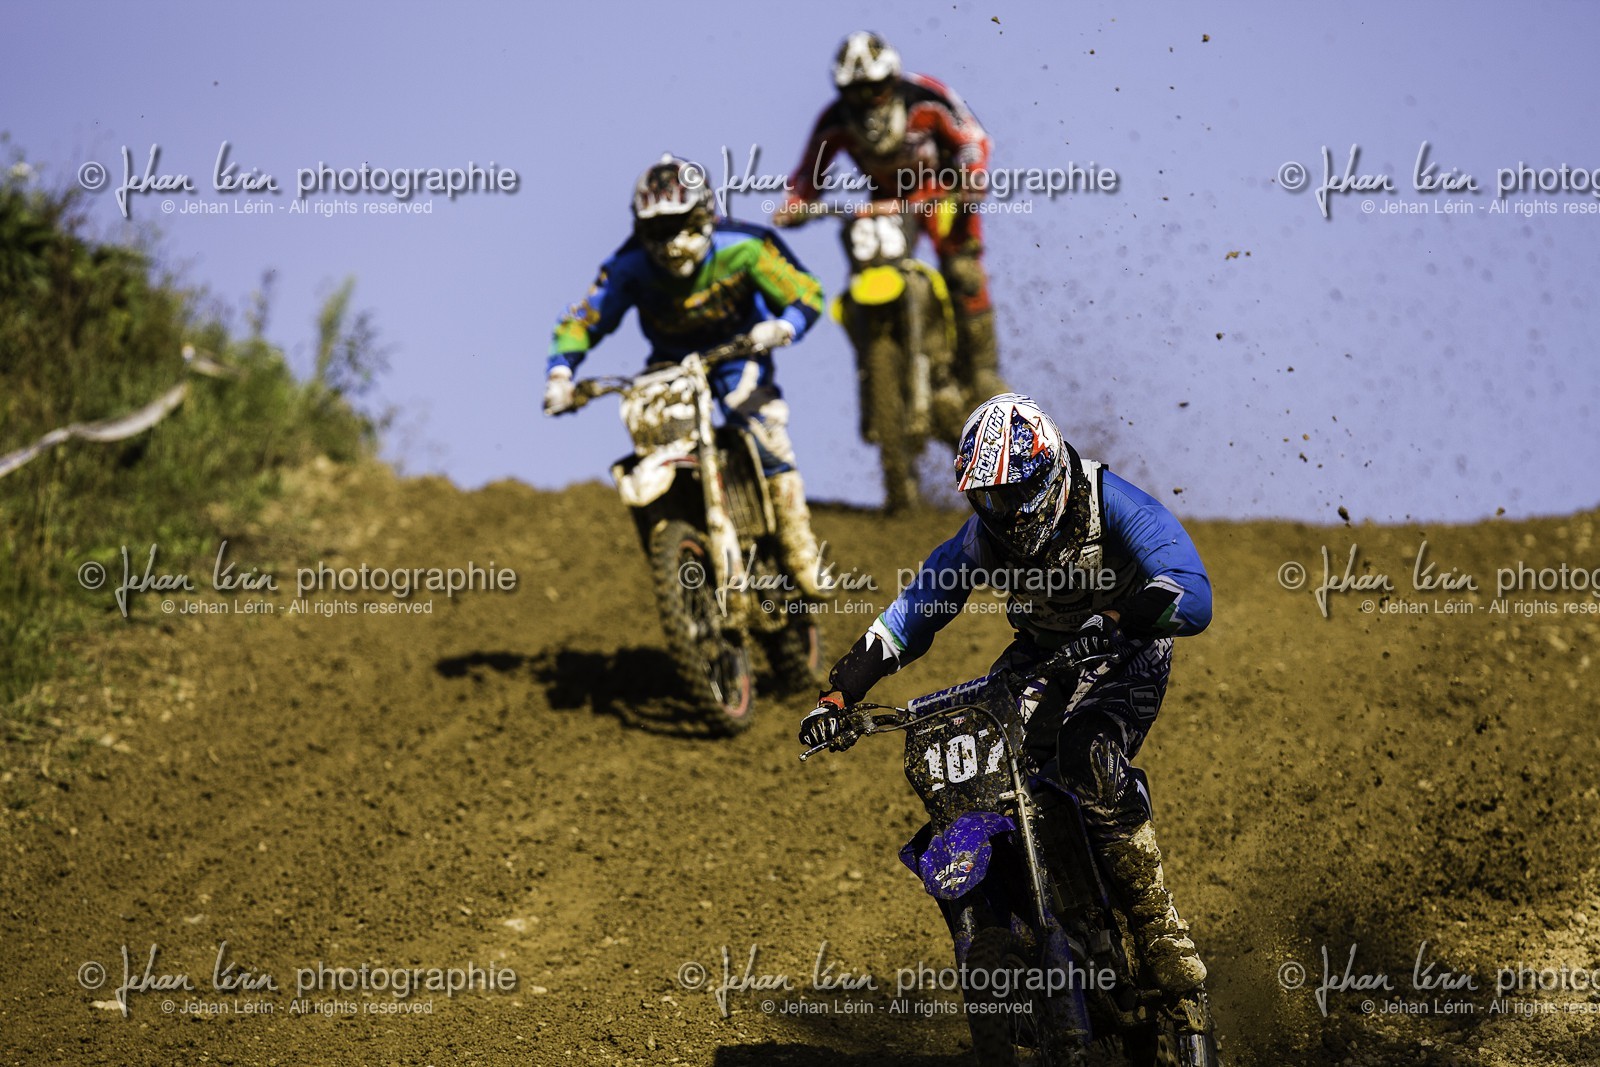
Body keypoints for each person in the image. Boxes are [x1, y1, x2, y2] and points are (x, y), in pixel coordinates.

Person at [798, 393, 1214, 994]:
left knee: (1088, 753)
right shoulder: (983, 540)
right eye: (986, 497)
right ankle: (1030, 925)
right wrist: (839, 695)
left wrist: (1122, 620)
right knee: (979, 778)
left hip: (1126, 652)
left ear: (1047, 471)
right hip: (1042, 660)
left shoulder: (1111, 503)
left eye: (1012, 493)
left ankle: (1158, 927)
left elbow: (1193, 593)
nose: (1004, 511)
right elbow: (915, 612)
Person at [545, 154, 832, 598]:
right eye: (658, 231)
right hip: (672, 363)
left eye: (681, 225)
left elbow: (805, 289)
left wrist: (785, 324)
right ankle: (683, 539)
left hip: (740, 350)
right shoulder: (629, 266)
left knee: (762, 428)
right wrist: (561, 374)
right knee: (651, 436)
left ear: (704, 216)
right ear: (642, 231)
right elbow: (583, 319)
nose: (671, 243)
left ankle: (799, 549)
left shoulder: (746, 245)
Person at [772, 30, 1004, 410]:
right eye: (855, 91)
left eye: (875, 89)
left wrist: (972, 175)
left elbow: (971, 139)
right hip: (885, 202)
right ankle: (879, 362)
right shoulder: (835, 120)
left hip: (943, 191)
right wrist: (795, 203)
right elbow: (809, 173)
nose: (866, 100)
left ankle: (983, 371)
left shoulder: (925, 98)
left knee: (962, 269)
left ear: (893, 79)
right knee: (866, 264)